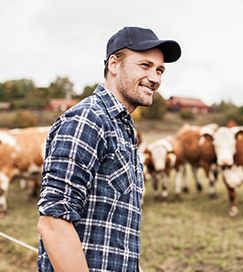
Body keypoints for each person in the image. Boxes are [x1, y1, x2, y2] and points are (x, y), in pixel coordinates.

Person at [37, 26, 181, 271]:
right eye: (145, 66)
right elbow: (53, 223)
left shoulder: (123, 128)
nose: (155, 78)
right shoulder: (87, 120)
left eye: (160, 70)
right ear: (114, 64)